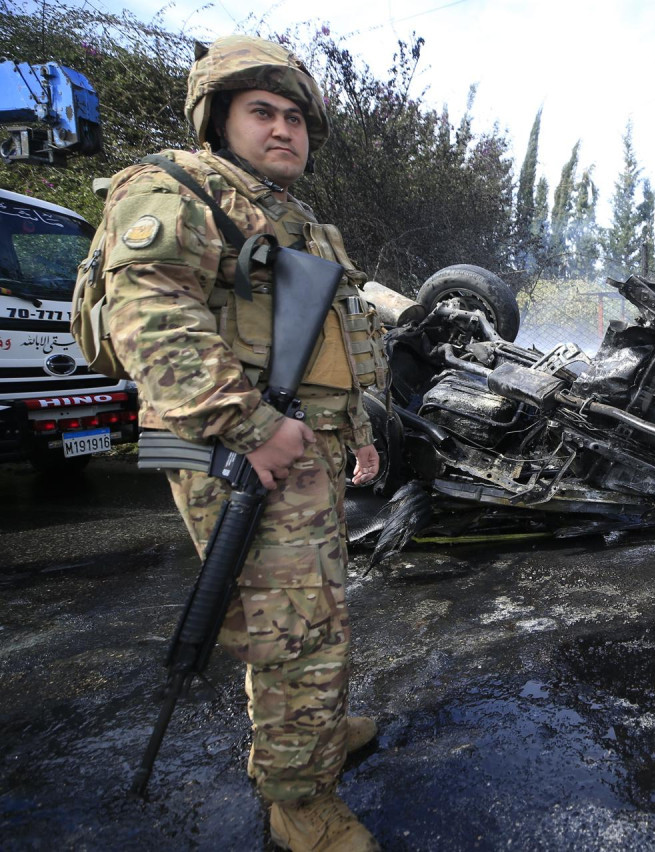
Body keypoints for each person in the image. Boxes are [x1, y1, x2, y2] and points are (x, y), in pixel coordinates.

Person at [97, 36, 386, 850]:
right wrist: (251, 426)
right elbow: (153, 326)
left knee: (314, 614)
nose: (284, 128)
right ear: (217, 119)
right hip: (235, 447)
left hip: (310, 448)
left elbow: (337, 340)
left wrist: (358, 431)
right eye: (262, 111)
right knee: (291, 627)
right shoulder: (174, 190)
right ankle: (299, 801)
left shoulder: (298, 221)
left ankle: (310, 737)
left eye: (295, 116)